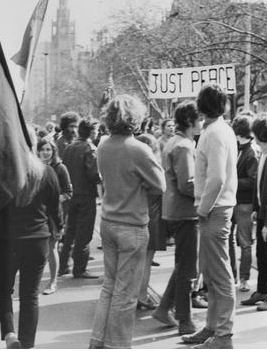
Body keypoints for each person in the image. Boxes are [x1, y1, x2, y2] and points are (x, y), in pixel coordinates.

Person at [89, 95, 166, 349]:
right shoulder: (138, 149)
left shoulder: (102, 145)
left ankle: (99, 341)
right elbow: (160, 185)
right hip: (131, 225)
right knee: (126, 294)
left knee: (109, 288)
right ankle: (118, 346)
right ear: (135, 118)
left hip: (108, 222)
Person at [0, 126, 62, 349]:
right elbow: (55, 208)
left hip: (8, 241)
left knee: (2, 290)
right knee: (30, 295)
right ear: (33, 143)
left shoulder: (2, 173)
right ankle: (28, 347)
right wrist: (59, 229)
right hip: (38, 240)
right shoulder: (47, 172)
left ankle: (10, 333)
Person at [182, 84, 238, 349]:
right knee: (214, 274)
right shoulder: (219, 130)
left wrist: (203, 209)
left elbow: (216, 178)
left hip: (214, 209)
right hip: (216, 208)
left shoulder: (214, 133)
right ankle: (213, 327)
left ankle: (223, 334)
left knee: (219, 274)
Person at [152, 101, 200, 335]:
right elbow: (187, 184)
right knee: (188, 267)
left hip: (174, 210)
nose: (201, 123)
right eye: (199, 119)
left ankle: (164, 308)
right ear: (191, 121)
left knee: (183, 264)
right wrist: (208, 194)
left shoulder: (174, 142)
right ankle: (185, 319)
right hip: (185, 212)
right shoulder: (183, 146)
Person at [243, 113, 267, 312]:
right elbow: (259, 186)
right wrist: (256, 209)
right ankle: (262, 290)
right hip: (261, 213)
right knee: (262, 255)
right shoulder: (265, 152)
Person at [59, 119, 101, 279]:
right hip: (86, 195)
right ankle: (80, 268)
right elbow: (93, 174)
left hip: (72, 194)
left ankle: (63, 265)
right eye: (95, 130)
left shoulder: (70, 147)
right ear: (91, 132)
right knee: (84, 233)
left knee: (70, 231)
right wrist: (101, 178)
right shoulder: (89, 148)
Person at [37, 138, 73, 295]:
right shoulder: (35, 167)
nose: (46, 152)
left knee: (52, 247)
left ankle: (52, 282)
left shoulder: (60, 168)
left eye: (49, 149)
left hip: (54, 214)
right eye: (43, 149)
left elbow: (68, 192)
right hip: (38, 214)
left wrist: (54, 198)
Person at [135, 133, 166, 310]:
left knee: (138, 260)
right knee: (146, 260)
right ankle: (142, 295)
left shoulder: (134, 168)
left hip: (138, 215)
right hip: (152, 217)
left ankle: (137, 294)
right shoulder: (154, 169)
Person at [230, 114, 258, 293]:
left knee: (244, 242)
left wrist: (232, 180)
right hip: (234, 201)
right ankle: (233, 275)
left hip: (243, 203)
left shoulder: (250, 152)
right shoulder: (239, 148)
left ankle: (244, 278)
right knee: (230, 240)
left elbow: (253, 180)